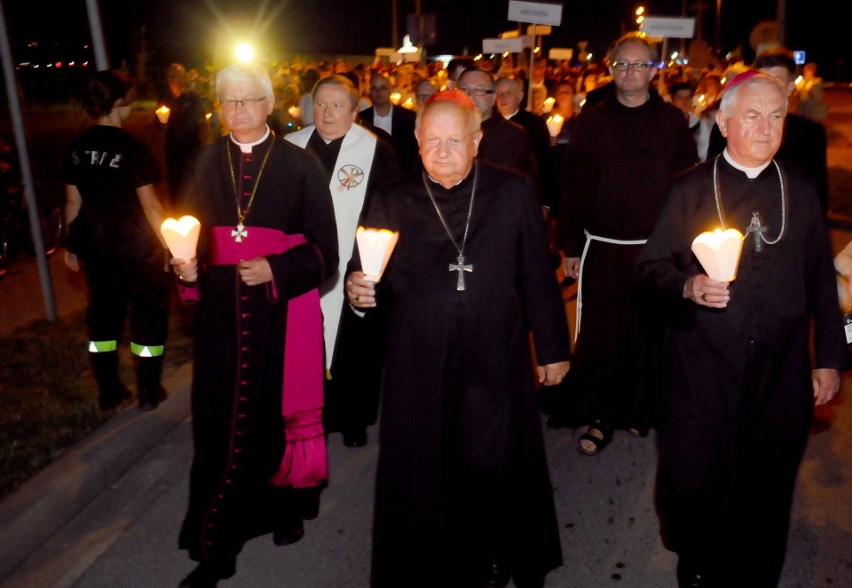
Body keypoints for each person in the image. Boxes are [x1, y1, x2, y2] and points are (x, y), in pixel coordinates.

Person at [346, 90, 571, 588]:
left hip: (495, 355)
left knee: (489, 459)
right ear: (418, 143)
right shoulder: (392, 198)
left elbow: (537, 272)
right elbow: (362, 274)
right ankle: (424, 560)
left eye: (454, 140)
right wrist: (357, 291)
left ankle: (491, 552)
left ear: (476, 141)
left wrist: (553, 349)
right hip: (416, 358)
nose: (442, 151)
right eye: (431, 141)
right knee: (421, 465)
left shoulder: (512, 191)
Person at [635, 71, 848, 588]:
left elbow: (823, 277)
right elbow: (648, 273)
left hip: (779, 370)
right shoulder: (688, 188)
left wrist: (829, 358)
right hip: (701, 365)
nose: (765, 127)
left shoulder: (798, 189)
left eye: (776, 116)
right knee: (696, 476)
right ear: (723, 121)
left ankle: (756, 574)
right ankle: (699, 561)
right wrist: (688, 288)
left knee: (768, 483)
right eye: (752, 115)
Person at [172, 62, 338, 587]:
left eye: (247, 100)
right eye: (228, 102)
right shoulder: (202, 162)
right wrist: (184, 267)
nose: (237, 110)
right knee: (218, 423)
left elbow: (326, 253)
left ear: (270, 105)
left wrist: (277, 269)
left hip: (281, 318)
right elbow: (183, 236)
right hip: (221, 318)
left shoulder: (300, 165)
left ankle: (282, 511)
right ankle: (215, 548)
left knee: (274, 419)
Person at [547, 33, 697, 454]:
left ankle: (639, 407)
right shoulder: (591, 121)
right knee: (602, 334)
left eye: (638, 65)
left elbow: (686, 187)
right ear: (610, 68)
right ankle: (601, 414)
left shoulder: (671, 123)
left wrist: (684, 248)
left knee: (647, 334)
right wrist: (571, 247)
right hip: (604, 247)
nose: (629, 72)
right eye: (621, 65)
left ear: (653, 71)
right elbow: (574, 189)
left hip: (655, 249)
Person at [285, 75, 401, 447]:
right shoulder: (290, 146)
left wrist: (360, 265)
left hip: (353, 263)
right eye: (320, 104)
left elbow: (384, 209)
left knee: (356, 350)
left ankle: (352, 419)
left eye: (338, 105)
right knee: (303, 344)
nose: (327, 113)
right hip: (303, 264)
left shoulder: (376, 150)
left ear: (355, 110)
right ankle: (307, 415)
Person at [62, 69, 171, 413]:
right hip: (137, 246)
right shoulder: (133, 148)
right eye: (131, 98)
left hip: (96, 244)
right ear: (121, 103)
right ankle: (149, 391)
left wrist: (72, 245)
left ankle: (109, 392)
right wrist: (171, 246)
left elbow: (72, 203)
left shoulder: (77, 148)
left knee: (102, 322)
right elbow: (151, 204)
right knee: (148, 317)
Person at [708, 47, 830, 214]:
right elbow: (712, 182)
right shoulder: (728, 127)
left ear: (790, 88)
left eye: (775, 81)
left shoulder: (811, 135)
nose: (766, 89)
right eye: (760, 81)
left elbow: (818, 197)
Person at [495, 76, 560, 216]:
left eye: (508, 93)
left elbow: (544, 163)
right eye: (499, 93)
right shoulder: (489, 123)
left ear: (520, 96)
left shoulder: (534, 123)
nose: (503, 98)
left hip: (526, 196)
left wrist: (546, 203)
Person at [457, 67, 536, 180]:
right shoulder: (446, 131)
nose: (470, 96)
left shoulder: (512, 136)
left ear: (493, 96)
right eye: (464, 90)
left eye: (479, 90)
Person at [157, 63, 210, 209]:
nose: (172, 78)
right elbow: (159, 125)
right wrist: (163, 123)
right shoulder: (164, 99)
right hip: (173, 149)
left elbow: (202, 122)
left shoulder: (192, 98)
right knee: (175, 184)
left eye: (176, 75)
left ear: (183, 77)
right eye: (170, 75)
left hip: (193, 148)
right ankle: (177, 212)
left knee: (194, 183)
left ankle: (196, 211)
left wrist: (207, 144)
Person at [360, 73, 418, 171]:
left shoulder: (409, 118)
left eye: (383, 88)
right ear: (370, 92)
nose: (378, 92)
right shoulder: (362, 119)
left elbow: (412, 153)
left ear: (391, 90)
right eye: (374, 88)